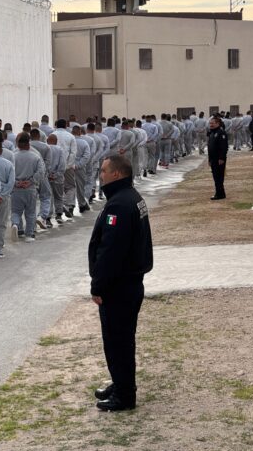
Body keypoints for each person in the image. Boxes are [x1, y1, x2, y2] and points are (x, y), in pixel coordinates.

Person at [89, 155, 152, 412]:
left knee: (118, 341)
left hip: (119, 286)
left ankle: (125, 395)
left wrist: (98, 286)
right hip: (127, 282)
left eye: (104, 170)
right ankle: (120, 383)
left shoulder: (119, 204)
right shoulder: (128, 197)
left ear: (116, 174)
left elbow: (111, 251)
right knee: (120, 340)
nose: (101, 174)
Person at [10, 133, 45, 242]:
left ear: (18, 144)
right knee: (30, 212)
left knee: (16, 211)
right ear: (28, 144)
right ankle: (29, 235)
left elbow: (9, 173)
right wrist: (30, 181)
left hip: (16, 189)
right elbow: (41, 172)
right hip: (30, 189)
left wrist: (16, 183)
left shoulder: (12, 157)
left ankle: (15, 224)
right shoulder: (35, 157)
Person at [208, 117, 228, 200]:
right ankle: (220, 193)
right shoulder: (212, 133)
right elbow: (210, 147)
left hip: (219, 159)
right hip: (213, 159)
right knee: (216, 177)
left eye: (213, 123)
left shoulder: (221, 133)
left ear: (218, 124)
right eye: (210, 123)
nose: (211, 125)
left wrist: (222, 158)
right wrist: (209, 159)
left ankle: (220, 194)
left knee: (219, 176)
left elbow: (224, 147)